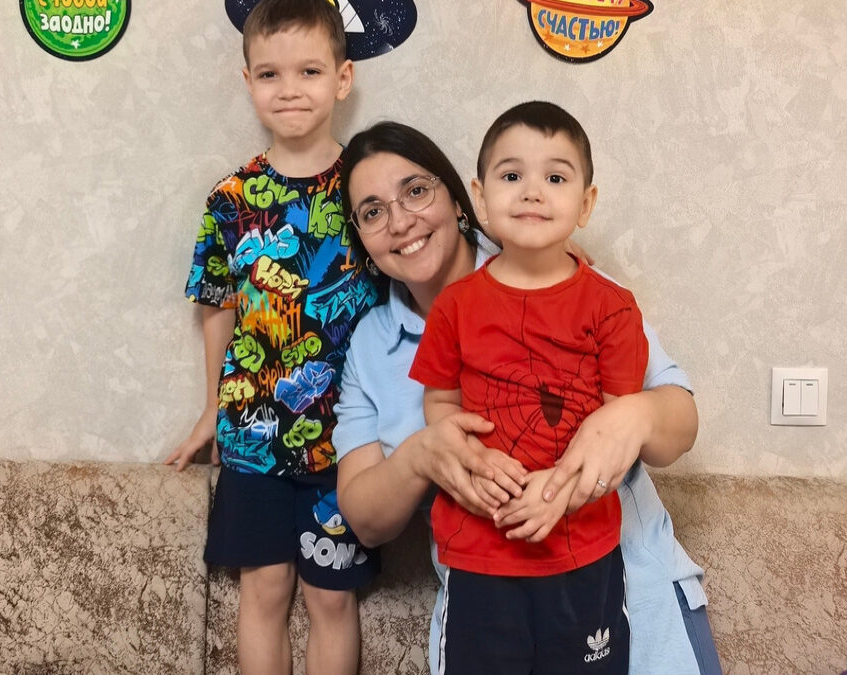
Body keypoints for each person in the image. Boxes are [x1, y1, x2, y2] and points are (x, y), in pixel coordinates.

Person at [333, 120, 722, 674]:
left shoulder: (567, 275)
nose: (399, 221)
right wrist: (421, 455)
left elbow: (680, 427)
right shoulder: (370, 347)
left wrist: (635, 414)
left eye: (416, 191)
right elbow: (366, 521)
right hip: (490, 605)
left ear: (461, 200)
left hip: (633, 591)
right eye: (372, 212)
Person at [165, 1, 379, 673]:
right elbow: (218, 306)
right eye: (270, 74)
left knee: (331, 598)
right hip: (252, 438)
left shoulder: (370, 190)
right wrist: (211, 408)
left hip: (349, 443)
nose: (289, 89)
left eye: (309, 71)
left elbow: (423, 277)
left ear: (342, 78)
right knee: (263, 590)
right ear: (248, 81)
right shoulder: (231, 199)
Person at [408, 101, 646, 672]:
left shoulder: (613, 308)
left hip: (582, 553)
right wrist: (468, 454)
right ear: (480, 197)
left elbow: (620, 428)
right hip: (480, 552)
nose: (533, 192)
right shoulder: (455, 306)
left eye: (556, 178)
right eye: (512, 176)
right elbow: (439, 402)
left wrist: (562, 489)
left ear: (586, 203)